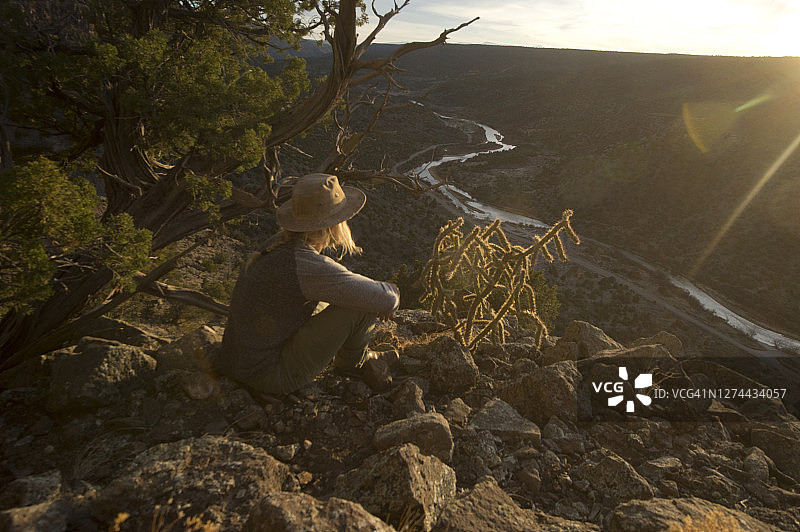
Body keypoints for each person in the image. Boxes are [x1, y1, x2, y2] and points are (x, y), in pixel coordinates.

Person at [219, 173, 400, 396]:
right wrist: (392, 292)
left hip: (237, 361)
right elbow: (384, 299)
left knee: (345, 295)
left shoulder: (277, 244)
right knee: (360, 306)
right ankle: (355, 363)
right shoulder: (304, 264)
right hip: (267, 375)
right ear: (333, 225)